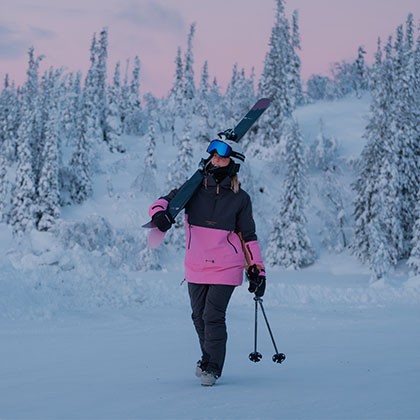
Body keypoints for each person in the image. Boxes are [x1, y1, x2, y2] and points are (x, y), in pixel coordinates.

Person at [148, 138, 266, 386]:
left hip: (226, 266)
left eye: (221, 157)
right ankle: (206, 358)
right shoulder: (193, 190)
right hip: (196, 265)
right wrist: (159, 215)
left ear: (232, 163)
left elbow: (248, 236)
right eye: (212, 156)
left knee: (213, 315)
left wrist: (257, 269)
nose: (215, 160)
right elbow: (164, 201)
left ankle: (213, 367)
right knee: (198, 316)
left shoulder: (240, 199)